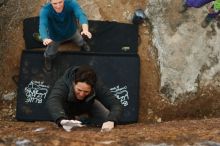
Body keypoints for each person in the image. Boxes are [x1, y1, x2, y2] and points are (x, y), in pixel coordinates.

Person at [46, 65, 123, 132]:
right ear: (73, 83)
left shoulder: (97, 85)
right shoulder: (64, 83)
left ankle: (84, 120)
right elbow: (53, 100)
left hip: (88, 105)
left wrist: (111, 120)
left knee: (107, 117)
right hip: (67, 109)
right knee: (63, 125)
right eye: (79, 90)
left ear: (92, 88)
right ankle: (76, 119)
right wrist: (61, 119)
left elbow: (115, 103)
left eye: (86, 91)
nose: (81, 94)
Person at [36, 0, 92, 71]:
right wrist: (45, 38)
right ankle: (48, 58)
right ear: (50, 2)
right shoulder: (45, 10)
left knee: (80, 40)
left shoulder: (71, 3)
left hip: (72, 31)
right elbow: (42, 25)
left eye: (60, 2)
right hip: (55, 36)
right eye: (55, 3)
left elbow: (80, 14)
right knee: (51, 52)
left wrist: (85, 29)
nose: (58, 6)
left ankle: (83, 44)